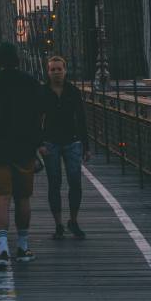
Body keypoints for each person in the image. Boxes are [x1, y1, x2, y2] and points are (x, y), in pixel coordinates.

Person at [0, 42, 43, 270]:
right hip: (24, 149)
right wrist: (37, 142)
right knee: (23, 198)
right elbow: (41, 116)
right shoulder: (31, 83)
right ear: (18, 60)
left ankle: (2, 249)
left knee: (1, 197)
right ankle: (22, 247)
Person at [39, 56, 90, 240]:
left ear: (65, 70)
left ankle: (73, 221)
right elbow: (36, 119)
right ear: (48, 71)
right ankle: (59, 224)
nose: (56, 72)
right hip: (50, 142)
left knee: (75, 182)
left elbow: (82, 118)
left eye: (59, 69)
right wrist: (39, 143)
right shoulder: (42, 92)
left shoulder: (74, 92)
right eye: (52, 69)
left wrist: (86, 146)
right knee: (55, 183)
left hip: (72, 141)